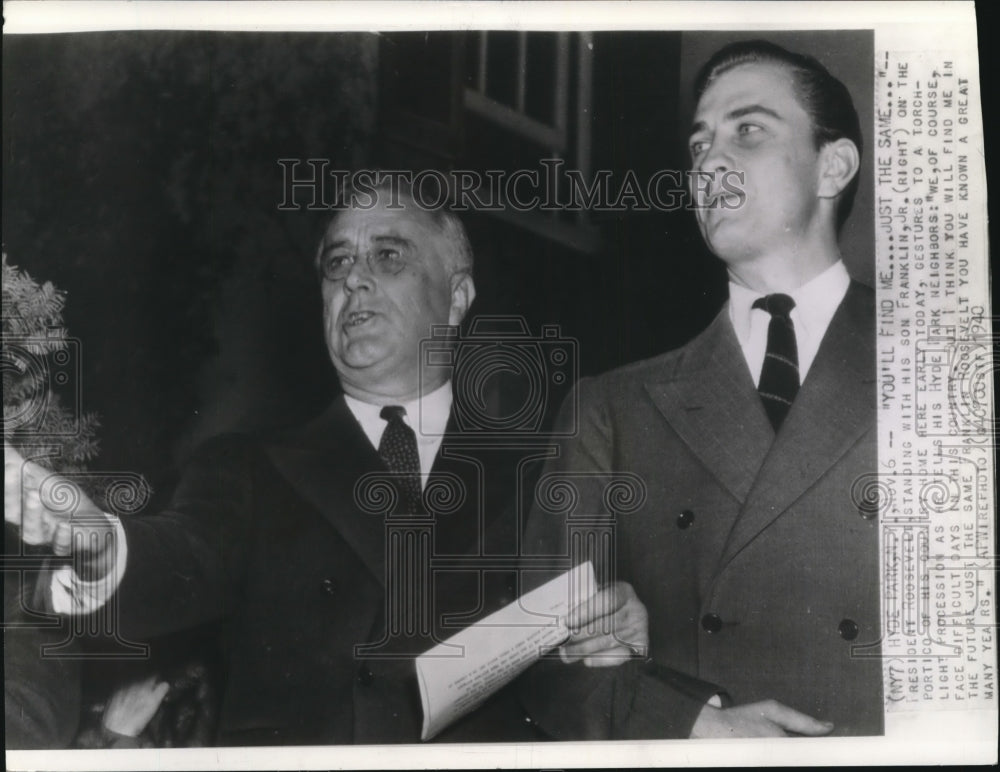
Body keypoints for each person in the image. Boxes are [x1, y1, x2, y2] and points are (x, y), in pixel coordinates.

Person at [4, 182, 647, 745]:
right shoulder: (248, 466)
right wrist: (103, 546)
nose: (353, 279)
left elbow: (615, 631)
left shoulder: (542, 467)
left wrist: (623, 625)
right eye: (336, 262)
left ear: (457, 297)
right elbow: (181, 557)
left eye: (387, 256)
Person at [520, 39, 881, 738]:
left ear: (832, 165)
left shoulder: (950, 365)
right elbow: (537, 655)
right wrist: (691, 726)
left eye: (747, 131)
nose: (709, 162)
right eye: (698, 145)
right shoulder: (611, 409)